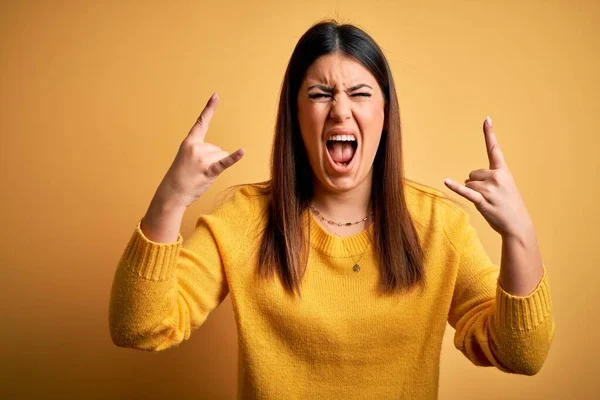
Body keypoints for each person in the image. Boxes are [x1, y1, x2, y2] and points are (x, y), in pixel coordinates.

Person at [109, 20, 555, 399]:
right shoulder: (245, 221)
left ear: (385, 112)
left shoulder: (440, 226)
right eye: (320, 93)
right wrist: (170, 198)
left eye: (360, 93)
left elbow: (522, 354)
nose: (340, 110)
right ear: (295, 113)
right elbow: (140, 326)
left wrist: (520, 233)